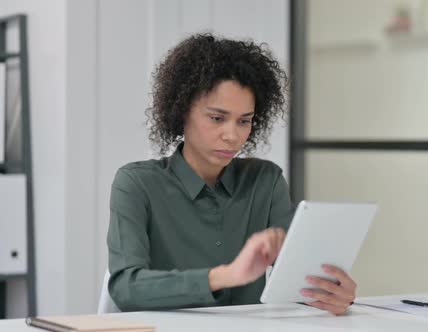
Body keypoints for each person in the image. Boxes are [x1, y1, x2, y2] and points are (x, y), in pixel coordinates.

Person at [106, 34, 357, 315]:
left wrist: (333, 294)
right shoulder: (137, 184)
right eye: (217, 118)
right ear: (181, 111)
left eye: (244, 121)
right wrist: (227, 276)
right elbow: (126, 287)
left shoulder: (266, 180)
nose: (232, 135)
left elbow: (297, 282)